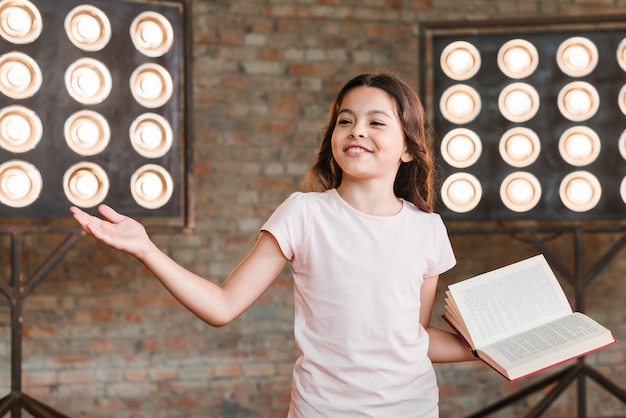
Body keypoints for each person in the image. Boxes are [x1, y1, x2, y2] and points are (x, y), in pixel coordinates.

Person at [71, 72, 477, 417]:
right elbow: (222, 305)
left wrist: (488, 349)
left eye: (376, 122)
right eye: (345, 121)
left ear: (408, 147)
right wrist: (147, 248)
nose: (356, 131)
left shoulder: (428, 229)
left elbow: (412, 339)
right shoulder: (304, 214)